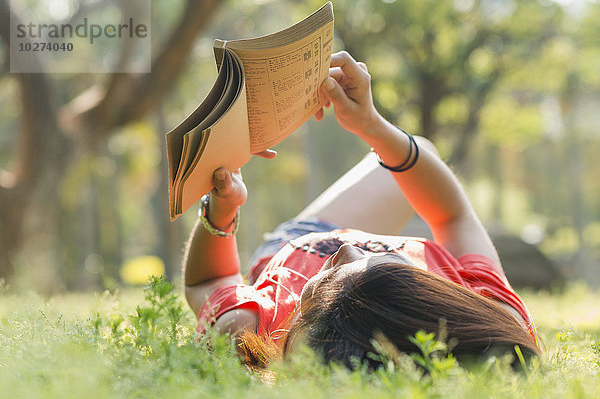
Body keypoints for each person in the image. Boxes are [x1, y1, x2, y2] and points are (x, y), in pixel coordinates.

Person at [183, 51, 540, 369]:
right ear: (431, 298)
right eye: (388, 270)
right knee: (420, 153)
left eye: (328, 276)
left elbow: (208, 281)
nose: (346, 248)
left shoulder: (252, 328)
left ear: (299, 322)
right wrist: (372, 125)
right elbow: (453, 216)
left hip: (295, 242)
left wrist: (222, 209)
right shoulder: (487, 313)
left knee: (413, 158)